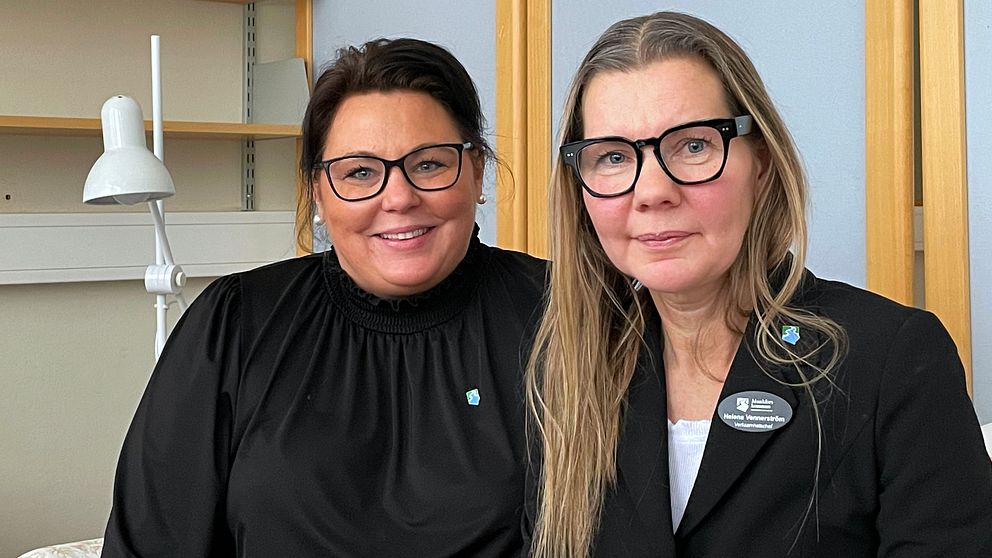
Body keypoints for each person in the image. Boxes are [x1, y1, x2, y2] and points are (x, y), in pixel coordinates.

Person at [524, 11, 992, 557]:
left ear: (761, 164)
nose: (651, 192)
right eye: (611, 156)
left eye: (693, 145)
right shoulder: (562, 375)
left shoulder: (891, 360)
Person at [102, 38, 546, 557]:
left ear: (476, 170)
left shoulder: (562, 316)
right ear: (318, 191)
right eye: (360, 172)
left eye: (428, 164)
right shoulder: (235, 323)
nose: (399, 197)